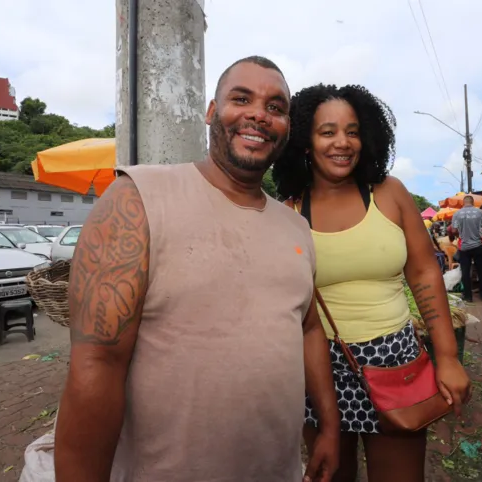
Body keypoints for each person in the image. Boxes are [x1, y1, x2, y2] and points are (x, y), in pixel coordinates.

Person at [55, 57, 340, 482]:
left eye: (276, 107)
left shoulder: (295, 226)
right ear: (211, 112)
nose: (259, 114)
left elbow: (309, 328)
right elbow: (97, 363)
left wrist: (330, 427)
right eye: (241, 99)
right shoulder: (138, 198)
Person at [273, 84, 471, 482]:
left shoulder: (390, 193)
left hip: (396, 360)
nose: (342, 143)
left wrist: (447, 356)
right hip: (319, 370)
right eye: (327, 132)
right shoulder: (287, 212)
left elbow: (424, 272)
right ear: (305, 143)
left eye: (352, 131)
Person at [451, 196, 482, 303]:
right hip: (478, 245)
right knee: (481, 271)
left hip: (464, 247)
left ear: (463, 203)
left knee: (465, 272)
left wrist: (462, 235)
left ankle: (468, 296)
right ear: (473, 202)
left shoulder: (457, 214)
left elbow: (453, 230)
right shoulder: (480, 213)